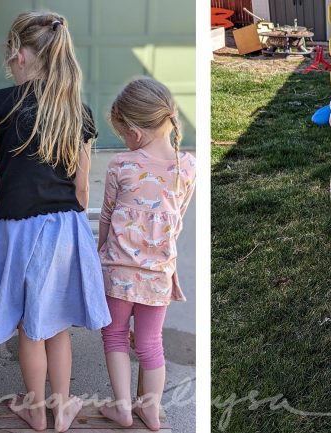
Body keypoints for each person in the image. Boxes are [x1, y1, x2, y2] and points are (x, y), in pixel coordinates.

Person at [0, 11, 111, 432]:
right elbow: (82, 191)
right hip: (66, 227)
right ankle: (62, 407)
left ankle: (35, 409)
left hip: (20, 228)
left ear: (22, 54)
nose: (8, 60)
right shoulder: (78, 112)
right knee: (57, 323)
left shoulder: (1, 104)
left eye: (11, 52)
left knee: (30, 325)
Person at [96, 77, 195, 431]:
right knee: (152, 343)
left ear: (134, 132)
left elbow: (107, 216)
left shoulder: (121, 165)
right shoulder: (187, 167)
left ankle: (123, 408)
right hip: (158, 275)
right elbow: (177, 219)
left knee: (115, 335)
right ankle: (150, 411)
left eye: (122, 132)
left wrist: (100, 249)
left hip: (119, 272)